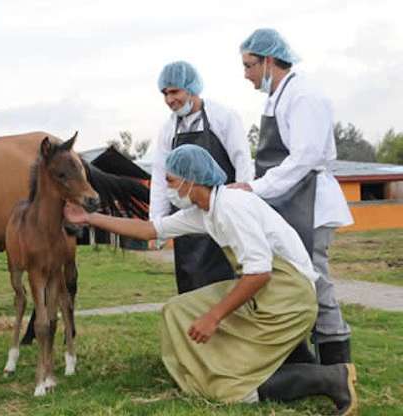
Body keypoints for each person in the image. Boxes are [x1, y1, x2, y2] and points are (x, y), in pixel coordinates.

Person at [64, 145, 358, 415]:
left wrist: (213, 317)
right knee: (178, 310)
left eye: (170, 179)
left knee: (229, 388)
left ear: (191, 179)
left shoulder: (232, 207)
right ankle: (211, 371)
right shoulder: (206, 211)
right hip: (269, 291)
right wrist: (89, 218)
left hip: (288, 298)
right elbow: (151, 230)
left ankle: (332, 377)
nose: (167, 187)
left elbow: (259, 272)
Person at [231, 28, 354, 365]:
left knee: (316, 283)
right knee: (293, 282)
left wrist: (256, 188)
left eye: (249, 66)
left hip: (310, 203)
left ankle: (337, 364)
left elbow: (305, 157)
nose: (246, 75)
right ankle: (302, 360)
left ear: (269, 60)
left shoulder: (303, 95)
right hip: (288, 202)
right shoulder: (278, 96)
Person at [151, 61, 254, 294]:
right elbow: (159, 177)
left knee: (225, 286)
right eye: (165, 93)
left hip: (222, 217)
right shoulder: (168, 130)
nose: (169, 100)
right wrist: (157, 222)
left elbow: (243, 164)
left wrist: (244, 208)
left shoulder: (223, 117)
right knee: (191, 286)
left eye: (174, 91)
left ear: (191, 88)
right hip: (186, 221)